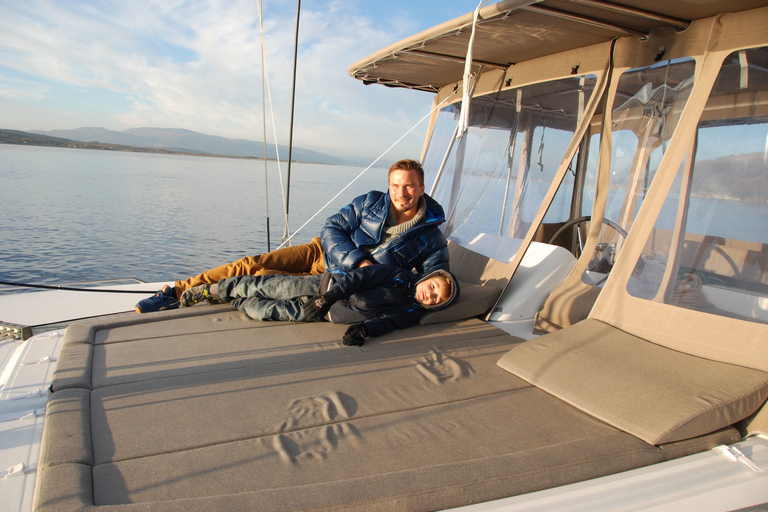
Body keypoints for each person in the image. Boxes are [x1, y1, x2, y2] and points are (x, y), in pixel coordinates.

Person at [135, 159, 450, 313]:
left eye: (409, 186)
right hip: (320, 253)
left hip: (337, 283)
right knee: (251, 263)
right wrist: (358, 260)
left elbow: (436, 277)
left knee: (265, 279)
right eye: (395, 185)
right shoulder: (370, 201)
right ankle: (175, 292)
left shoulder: (431, 238)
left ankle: (209, 294)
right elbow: (332, 228)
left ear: (422, 188)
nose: (401, 193)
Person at [180, 264, 459, 346]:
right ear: (428, 278)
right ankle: (213, 290)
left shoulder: (411, 312)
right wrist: (328, 297)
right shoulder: (397, 274)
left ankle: (235, 301)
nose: (430, 296)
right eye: (433, 288)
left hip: (325, 316)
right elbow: (359, 277)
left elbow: (387, 322)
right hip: (322, 289)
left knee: (264, 311)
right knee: (268, 286)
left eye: (437, 299)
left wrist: (364, 330)